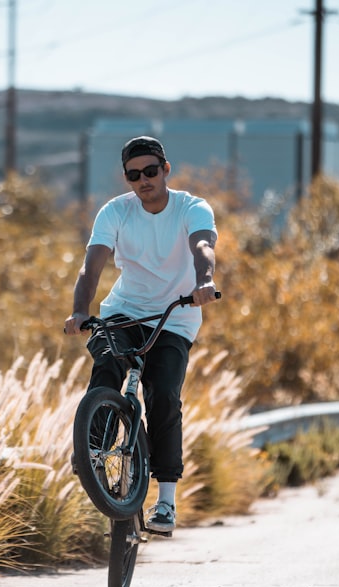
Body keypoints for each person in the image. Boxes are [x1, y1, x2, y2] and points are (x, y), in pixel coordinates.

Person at [64, 136, 219, 534]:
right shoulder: (116, 212)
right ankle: (93, 449)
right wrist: (81, 311)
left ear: (166, 169)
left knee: (163, 395)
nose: (143, 180)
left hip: (176, 318)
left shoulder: (191, 207)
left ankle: (165, 502)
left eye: (151, 171)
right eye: (134, 175)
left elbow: (202, 245)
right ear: (127, 178)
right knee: (108, 364)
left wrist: (204, 282)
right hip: (124, 311)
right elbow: (91, 267)